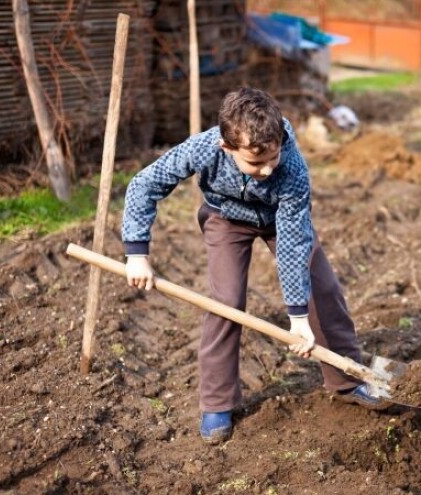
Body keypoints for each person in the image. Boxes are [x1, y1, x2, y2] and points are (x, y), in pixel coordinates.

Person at [121, 87, 388, 445]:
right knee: (226, 302)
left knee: (322, 291)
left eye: (272, 158)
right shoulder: (204, 147)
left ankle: (347, 378)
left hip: (282, 220)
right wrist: (137, 253)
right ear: (227, 147)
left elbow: (293, 244)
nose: (265, 169)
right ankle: (217, 402)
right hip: (225, 216)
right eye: (254, 162)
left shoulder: (291, 168)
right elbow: (145, 184)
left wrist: (297, 317)